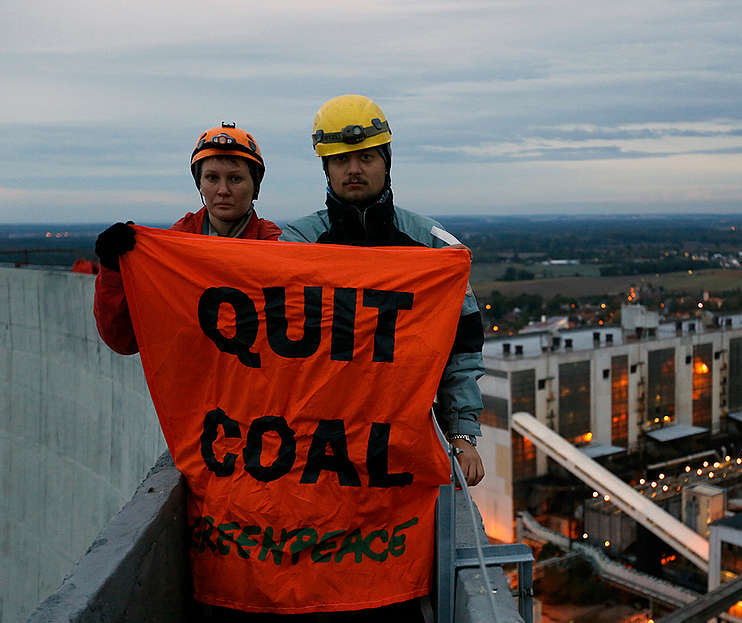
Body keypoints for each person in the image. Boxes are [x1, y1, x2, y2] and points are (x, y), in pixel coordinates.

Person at [282, 94, 485, 486]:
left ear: (386, 162)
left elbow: (461, 346)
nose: (353, 169)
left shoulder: (432, 247)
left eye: (367, 157)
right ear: (326, 168)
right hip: (314, 448)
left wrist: (461, 433)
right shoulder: (294, 246)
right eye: (341, 159)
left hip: (401, 444)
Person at [93, 122, 280, 354]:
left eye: (235, 179)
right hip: (193, 385)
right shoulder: (169, 249)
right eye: (212, 178)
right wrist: (113, 270)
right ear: (199, 184)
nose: (223, 190)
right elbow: (123, 339)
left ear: (255, 185)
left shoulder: (277, 246)